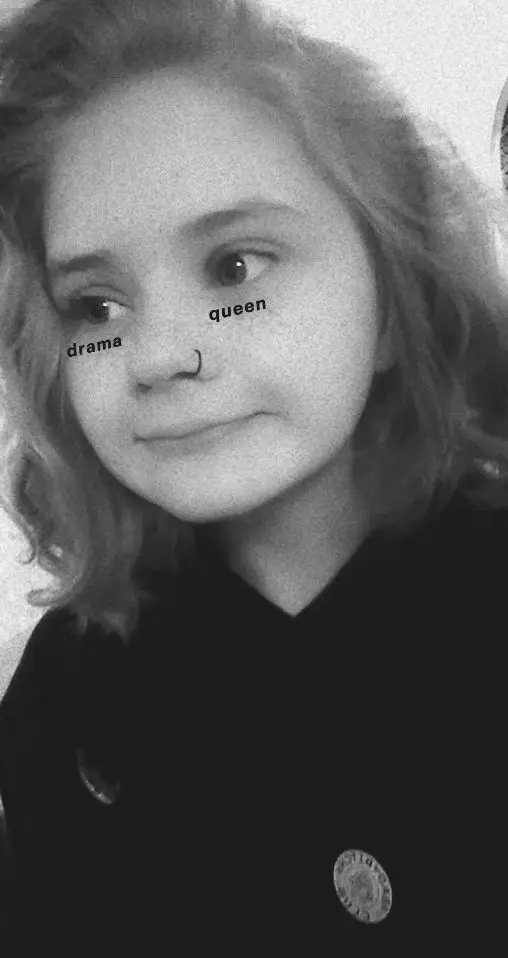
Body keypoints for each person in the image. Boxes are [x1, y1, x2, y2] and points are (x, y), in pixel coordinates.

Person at [0, 0, 507, 953]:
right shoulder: (70, 689)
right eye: (96, 305)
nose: (159, 355)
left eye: (234, 268)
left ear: (393, 303)